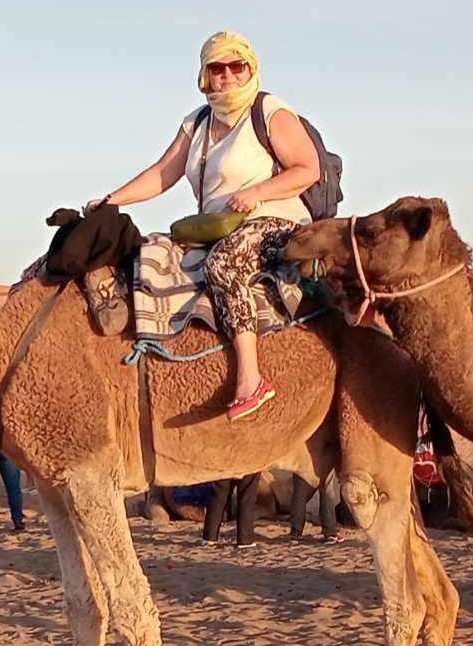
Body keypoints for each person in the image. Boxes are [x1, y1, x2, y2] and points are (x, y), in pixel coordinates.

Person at [91, 30, 321, 420]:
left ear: (251, 69)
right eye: (218, 67)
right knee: (150, 254)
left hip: (272, 220)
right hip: (218, 226)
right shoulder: (196, 123)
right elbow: (163, 173)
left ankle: (251, 377)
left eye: (237, 66)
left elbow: (308, 168)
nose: (228, 75)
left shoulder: (269, 112)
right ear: (204, 75)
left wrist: (258, 192)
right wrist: (111, 200)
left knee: (223, 265)